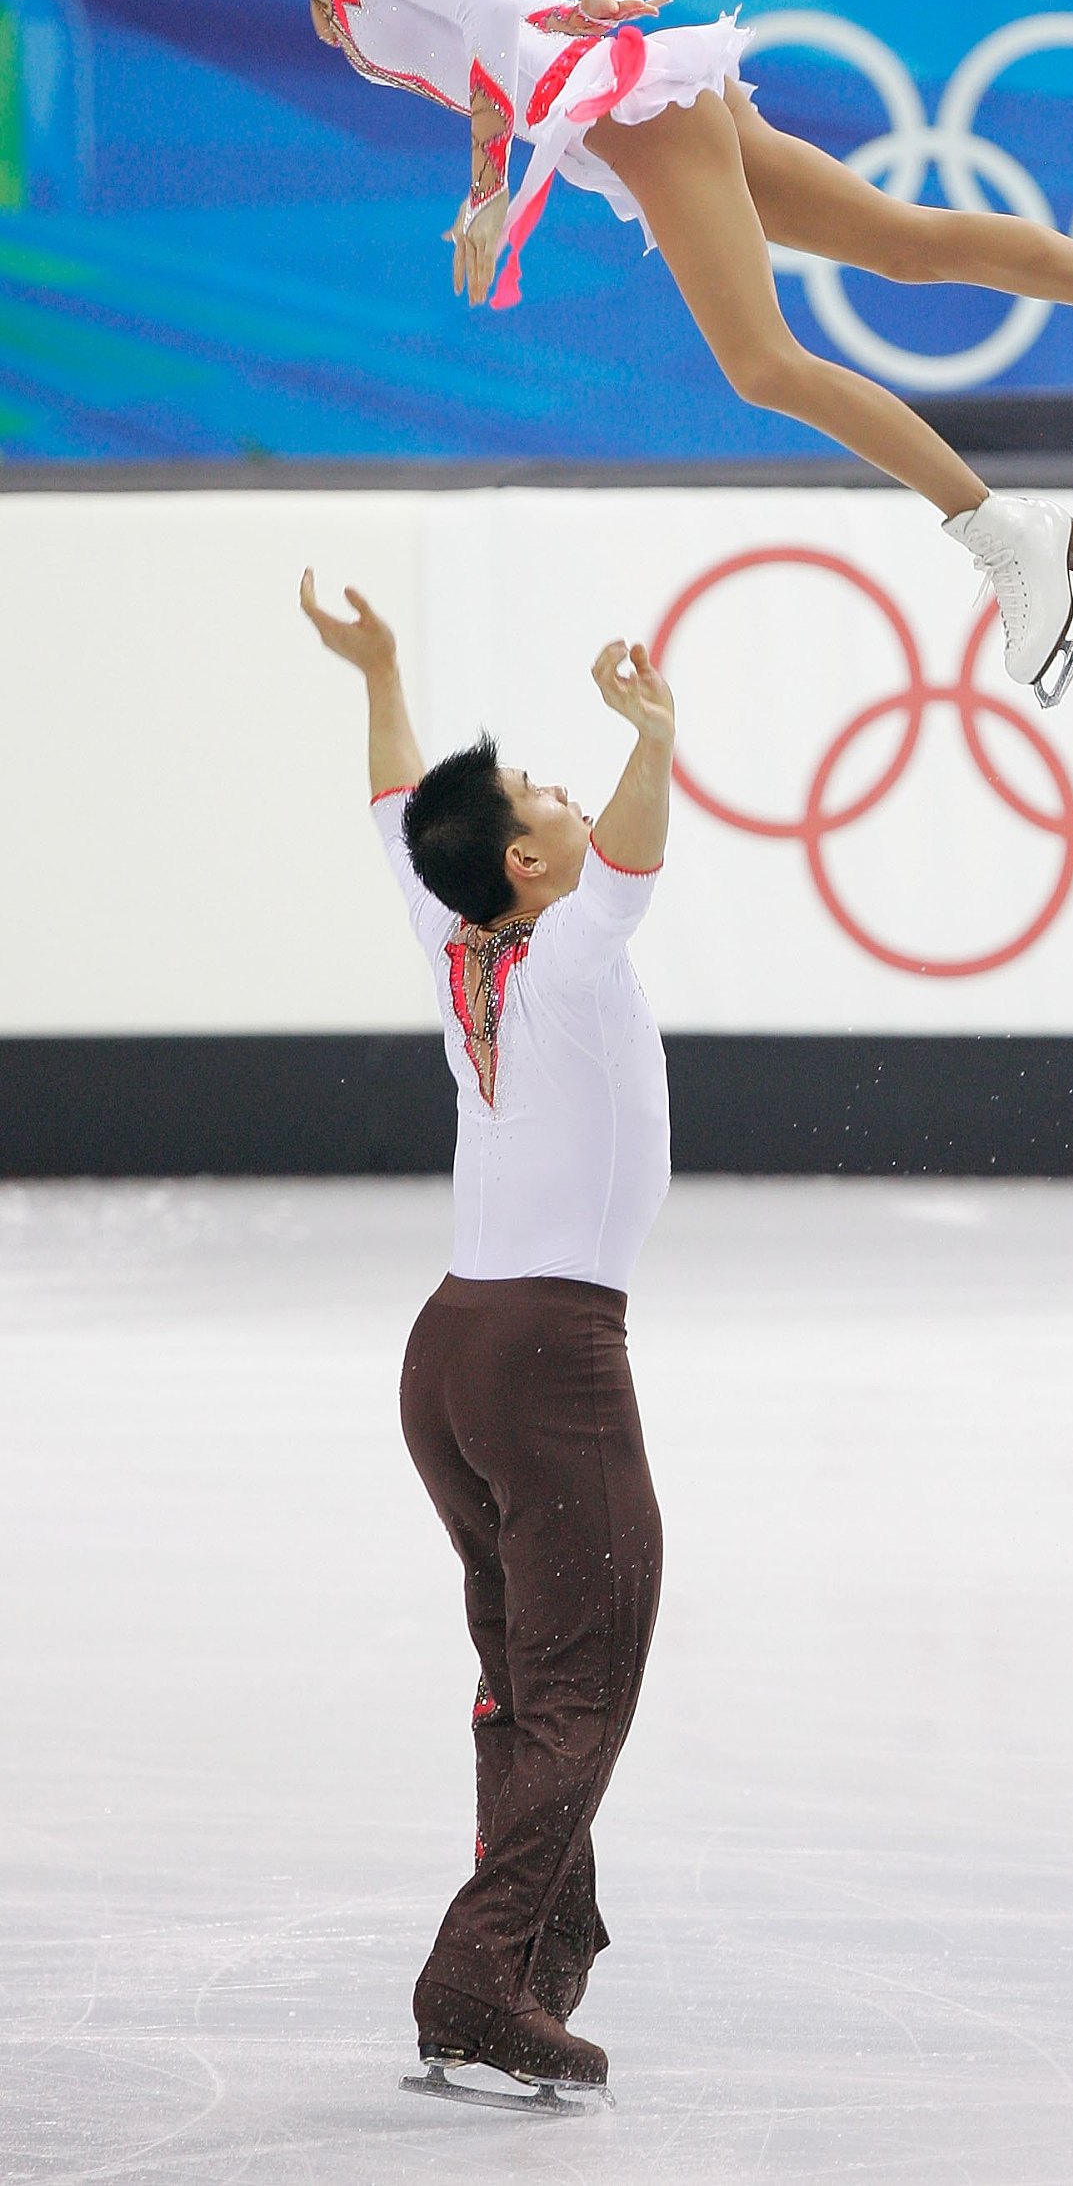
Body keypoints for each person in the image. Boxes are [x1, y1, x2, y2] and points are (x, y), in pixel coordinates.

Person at [129, 0, 1073, 701]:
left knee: (761, 364)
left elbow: (489, 28)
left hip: (627, 112)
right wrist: (518, 127)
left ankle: (1017, 544)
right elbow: (490, 54)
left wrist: (525, 133)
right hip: (620, 109)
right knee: (903, 241)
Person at [299, 566, 673, 2100]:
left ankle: (543, 1940)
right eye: (545, 792)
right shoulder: (570, 956)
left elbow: (401, 817)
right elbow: (631, 870)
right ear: (525, 863)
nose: (568, 792)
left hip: (448, 1354)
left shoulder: (465, 940)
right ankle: (476, 1970)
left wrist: (380, 667)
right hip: (544, 1365)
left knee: (530, 1667)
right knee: (586, 1674)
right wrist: (654, 731)